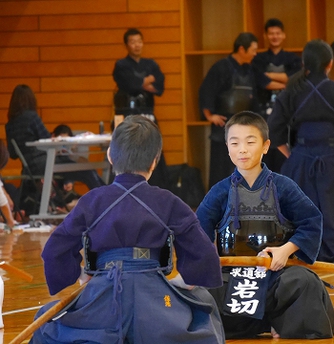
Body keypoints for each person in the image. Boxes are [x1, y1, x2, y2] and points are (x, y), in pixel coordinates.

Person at [29, 115, 225, 344]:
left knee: (46, 324)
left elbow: (54, 250)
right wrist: (180, 284)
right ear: (155, 160)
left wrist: (83, 277)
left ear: (110, 156)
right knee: (204, 310)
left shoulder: (92, 201)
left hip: (103, 297)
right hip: (156, 304)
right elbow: (203, 254)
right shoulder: (168, 201)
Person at [196, 111, 334, 340]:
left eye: (250, 142)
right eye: (235, 143)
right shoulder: (220, 191)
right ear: (227, 147)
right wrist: (208, 256)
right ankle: (265, 322)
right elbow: (197, 232)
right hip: (231, 278)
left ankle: (281, 321)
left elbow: (311, 222)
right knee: (200, 290)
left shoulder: (284, 187)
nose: (242, 149)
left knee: (304, 283)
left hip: (275, 277)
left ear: (265, 146)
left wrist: (286, 250)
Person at [268, 39, 334, 264]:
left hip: (300, 158)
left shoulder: (290, 92)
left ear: (305, 62)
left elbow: (274, 131)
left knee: (303, 208)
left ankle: (302, 249)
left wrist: (292, 156)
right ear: (330, 63)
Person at [199, 32, 285, 188]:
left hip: (244, 123)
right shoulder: (221, 67)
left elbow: (266, 84)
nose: (255, 53)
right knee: (222, 168)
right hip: (224, 124)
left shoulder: (250, 68)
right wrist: (209, 115)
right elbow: (206, 91)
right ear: (241, 49)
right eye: (252, 50)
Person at [5, 85, 104, 203]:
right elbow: (47, 140)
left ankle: (109, 198)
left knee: (84, 171)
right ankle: (108, 200)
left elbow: (13, 154)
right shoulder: (32, 117)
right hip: (45, 164)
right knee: (88, 171)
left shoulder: (10, 125)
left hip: (29, 168)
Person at [113, 28, 169, 189]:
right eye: (132, 42)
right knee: (128, 149)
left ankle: (157, 189)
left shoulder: (150, 64)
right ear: (126, 45)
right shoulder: (121, 65)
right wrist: (146, 81)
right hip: (127, 114)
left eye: (139, 41)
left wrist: (140, 82)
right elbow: (129, 85)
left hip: (148, 112)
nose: (137, 45)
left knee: (153, 148)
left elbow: (159, 85)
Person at [251, 18, 302, 172]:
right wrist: (285, 83)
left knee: (285, 145)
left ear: (283, 35)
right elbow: (261, 81)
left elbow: (294, 79)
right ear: (265, 36)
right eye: (271, 33)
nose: (274, 36)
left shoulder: (293, 58)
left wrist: (268, 75)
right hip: (263, 110)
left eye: (277, 33)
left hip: (288, 110)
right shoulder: (258, 59)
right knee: (264, 148)